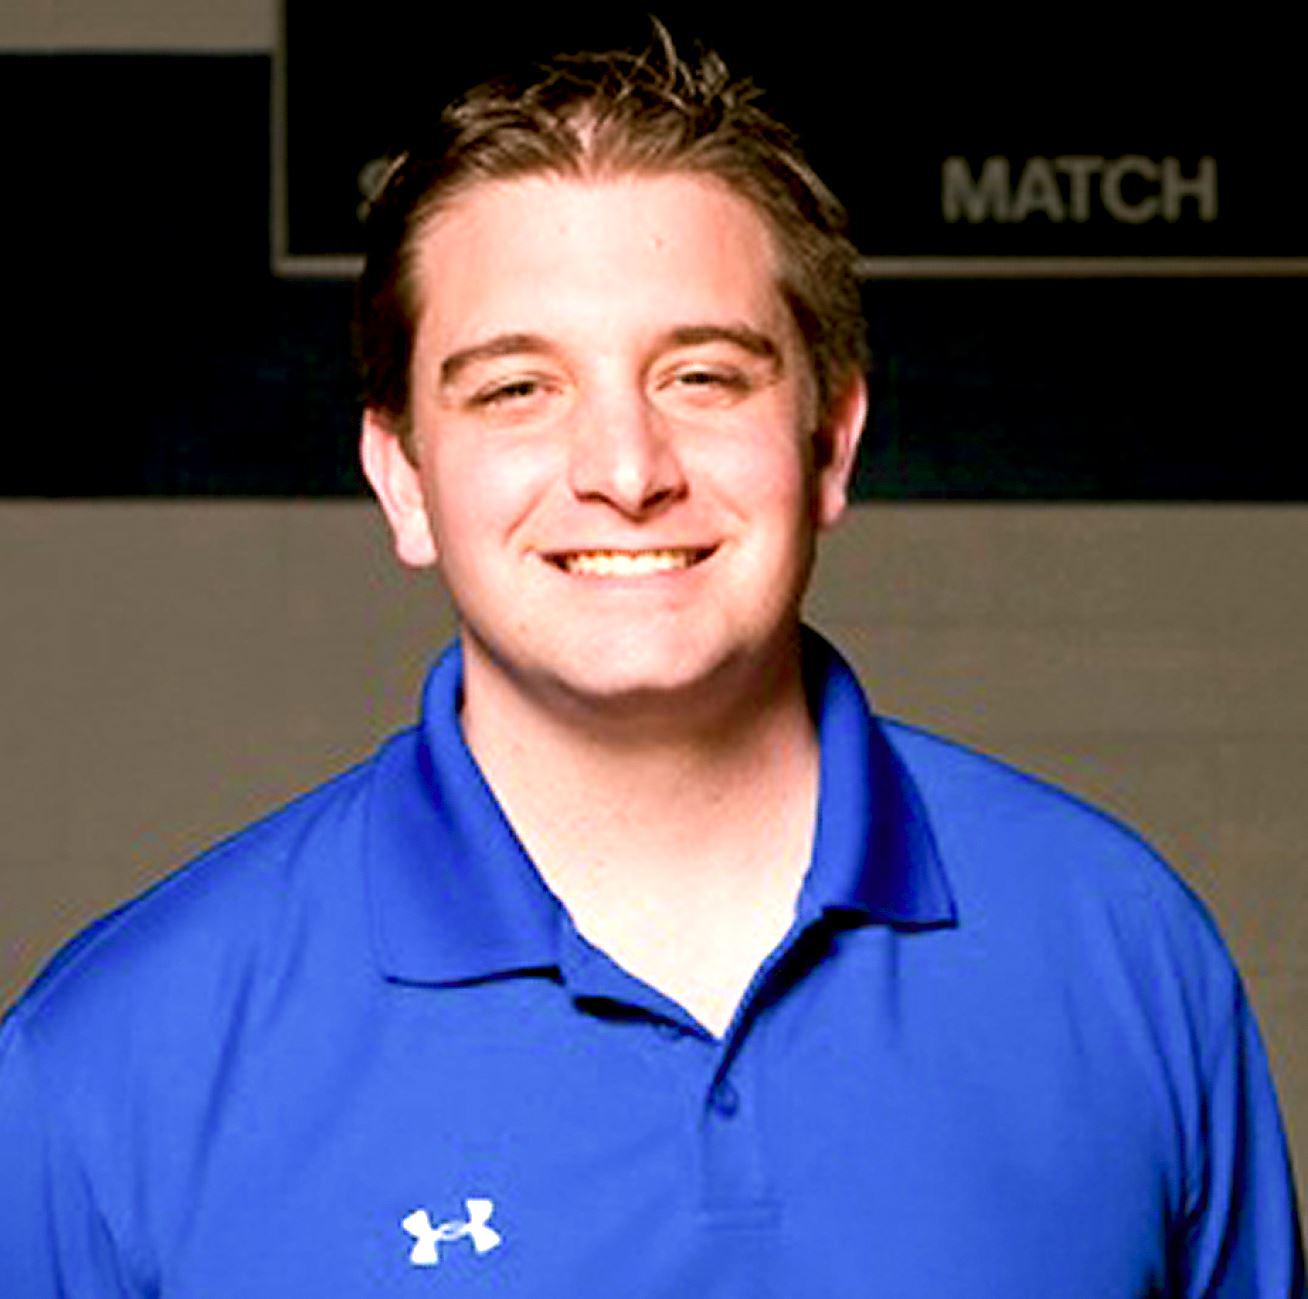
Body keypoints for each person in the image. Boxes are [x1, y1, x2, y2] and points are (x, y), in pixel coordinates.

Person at [1, 29, 1302, 1297]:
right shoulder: (111, 1067)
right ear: (402, 477)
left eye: (702, 377)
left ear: (831, 442)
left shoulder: (1124, 954)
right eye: (518, 389)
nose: (626, 471)